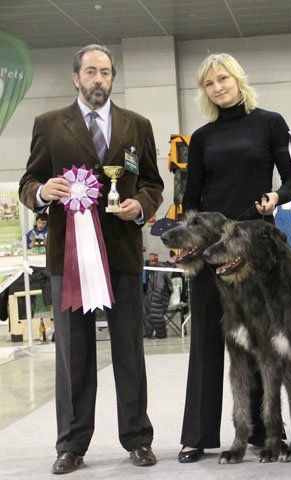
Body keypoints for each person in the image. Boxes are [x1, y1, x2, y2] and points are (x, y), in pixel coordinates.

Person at [18, 44, 164, 474]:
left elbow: (152, 182)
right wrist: (43, 193)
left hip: (121, 254)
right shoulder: (48, 125)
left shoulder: (138, 125)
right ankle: (71, 445)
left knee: (129, 351)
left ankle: (137, 438)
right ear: (75, 78)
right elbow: (30, 179)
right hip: (69, 259)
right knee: (73, 355)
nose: (98, 79)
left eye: (105, 72)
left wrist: (141, 204)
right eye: (90, 71)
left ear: (113, 78)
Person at [178, 52, 291, 463]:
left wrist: (276, 198)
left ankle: (268, 431)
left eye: (223, 78)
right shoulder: (201, 138)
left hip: (255, 242)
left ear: (238, 78)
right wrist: (187, 244)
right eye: (209, 83)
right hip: (211, 247)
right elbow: (191, 197)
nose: (218, 87)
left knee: (266, 341)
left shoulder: (271, 122)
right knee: (209, 339)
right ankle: (197, 435)